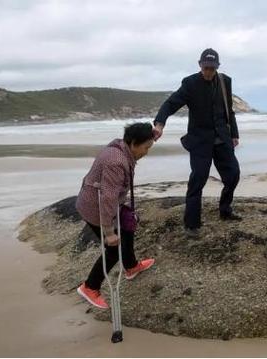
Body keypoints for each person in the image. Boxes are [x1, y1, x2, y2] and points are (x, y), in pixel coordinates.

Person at [153, 48, 242, 237]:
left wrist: (234, 134)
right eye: (206, 67)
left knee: (233, 175)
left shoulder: (225, 82)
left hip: (222, 139)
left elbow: (229, 111)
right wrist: (159, 124)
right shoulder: (190, 83)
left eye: (212, 67)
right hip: (200, 141)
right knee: (198, 180)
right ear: (200, 64)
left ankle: (225, 210)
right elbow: (170, 104)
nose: (209, 71)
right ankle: (192, 224)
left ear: (217, 66)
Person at [75, 122, 156, 309]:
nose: (147, 152)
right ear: (134, 143)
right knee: (112, 249)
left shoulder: (122, 145)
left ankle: (131, 266)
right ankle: (89, 287)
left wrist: (153, 132)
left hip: (102, 202)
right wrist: (109, 232)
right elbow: (108, 197)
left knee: (127, 231)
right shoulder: (116, 162)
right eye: (146, 147)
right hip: (95, 208)